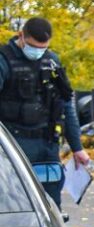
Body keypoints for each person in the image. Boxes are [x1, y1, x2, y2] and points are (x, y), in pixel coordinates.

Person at [0, 18, 89, 206]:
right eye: (33, 46)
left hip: (47, 144)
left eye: (43, 47)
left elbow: (66, 105)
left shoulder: (51, 61)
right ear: (21, 36)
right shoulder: (4, 60)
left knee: (51, 204)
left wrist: (77, 147)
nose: (38, 53)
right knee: (16, 203)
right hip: (14, 144)